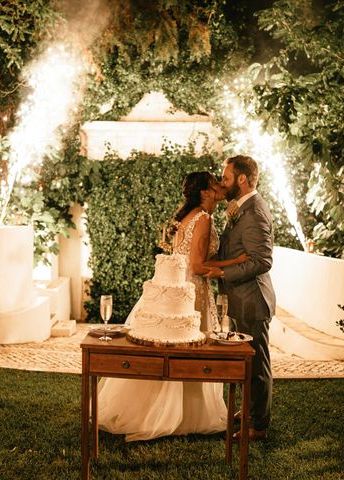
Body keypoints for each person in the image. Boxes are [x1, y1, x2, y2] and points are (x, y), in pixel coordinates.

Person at [96, 171, 248, 442]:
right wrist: (235, 262)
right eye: (215, 182)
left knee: (174, 352)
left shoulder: (188, 217)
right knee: (190, 354)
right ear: (204, 191)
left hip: (177, 286)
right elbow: (197, 266)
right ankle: (178, 417)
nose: (220, 185)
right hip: (190, 291)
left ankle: (175, 414)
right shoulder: (203, 217)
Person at [206, 155, 276, 442]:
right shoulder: (241, 209)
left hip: (253, 299)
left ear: (242, 179)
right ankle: (249, 410)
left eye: (226, 177)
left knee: (257, 365)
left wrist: (223, 274)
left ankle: (258, 425)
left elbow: (262, 261)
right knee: (247, 362)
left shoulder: (255, 212)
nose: (223, 182)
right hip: (241, 298)